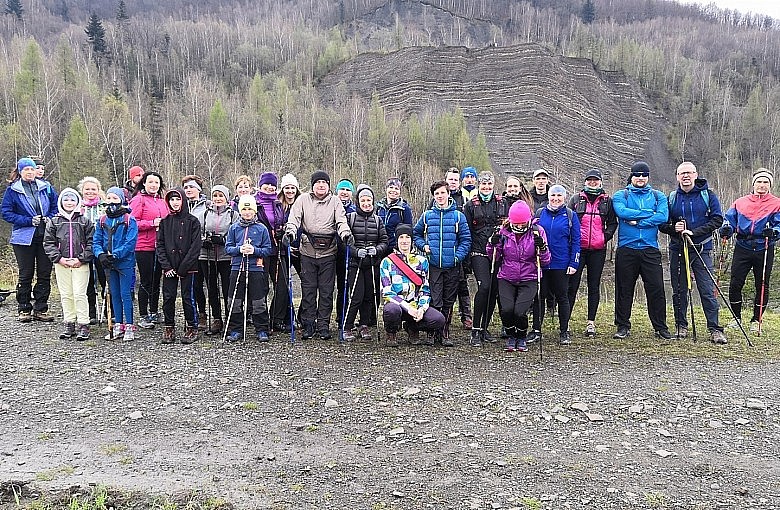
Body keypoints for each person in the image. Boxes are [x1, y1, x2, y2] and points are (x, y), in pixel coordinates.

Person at [658, 162, 726, 343]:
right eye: (682, 173)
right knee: (679, 290)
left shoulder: (708, 195)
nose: (685, 176)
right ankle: (681, 325)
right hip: (678, 249)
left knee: (706, 289)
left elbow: (718, 220)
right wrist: (675, 228)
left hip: (702, 248)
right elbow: (662, 224)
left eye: (688, 173)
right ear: (677, 177)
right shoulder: (671, 198)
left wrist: (694, 232)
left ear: (696, 174)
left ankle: (715, 329)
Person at [282, 170, 353, 340]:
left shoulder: (335, 201)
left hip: (329, 252)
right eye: (318, 182)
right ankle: (308, 324)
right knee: (308, 290)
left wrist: (345, 234)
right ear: (313, 185)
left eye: (324, 182)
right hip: (307, 251)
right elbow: (294, 219)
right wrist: (290, 233)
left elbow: (341, 221)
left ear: (328, 185)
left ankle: (323, 325)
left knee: (327, 291)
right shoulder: (302, 200)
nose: (321, 185)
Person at [612, 161, 672, 340]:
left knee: (656, 289)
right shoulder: (621, 194)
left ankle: (660, 327)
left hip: (650, 249)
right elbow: (622, 213)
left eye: (644, 175)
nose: (640, 178)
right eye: (637, 175)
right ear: (632, 176)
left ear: (648, 177)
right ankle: (622, 326)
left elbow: (663, 216)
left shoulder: (658, 195)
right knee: (624, 289)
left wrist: (639, 222)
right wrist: (649, 214)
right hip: (626, 248)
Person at [719, 168, 780, 334]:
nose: (762, 185)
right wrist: (727, 229)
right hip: (743, 246)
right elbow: (729, 220)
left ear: (770, 185)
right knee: (736, 282)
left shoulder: (776, 203)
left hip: (764, 246)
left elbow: (779, 224)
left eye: (765, 182)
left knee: (762, 284)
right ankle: (736, 317)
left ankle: (756, 320)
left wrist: (774, 231)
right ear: (753, 184)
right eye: (759, 182)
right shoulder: (740, 202)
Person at [413, 180, 471, 346]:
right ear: (433, 196)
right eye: (437, 193)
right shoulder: (427, 216)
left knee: (449, 299)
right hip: (433, 265)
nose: (440, 196)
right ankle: (432, 331)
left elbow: (465, 240)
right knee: (433, 298)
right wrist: (423, 246)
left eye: (442, 193)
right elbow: (416, 234)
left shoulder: (458, 216)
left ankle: (444, 331)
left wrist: (456, 257)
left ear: (448, 194)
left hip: (452, 265)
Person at [487, 201, 550, 352]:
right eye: (517, 223)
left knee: (520, 311)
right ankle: (511, 335)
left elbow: (546, 261)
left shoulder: (537, 231)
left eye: (522, 224)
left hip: (529, 277)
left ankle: (521, 336)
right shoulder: (503, 232)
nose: (520, 227)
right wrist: (492, 244)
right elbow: (494, 257)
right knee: (507, 310)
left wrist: (542, 248)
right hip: (507, 276)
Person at [1, 157, 58, 322]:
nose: (30, 172)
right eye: (26, 170)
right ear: (20, 172)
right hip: (23, 238)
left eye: (32, 169)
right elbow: (6, 212)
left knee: (44, 273)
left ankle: (41, 308)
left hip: (45, 236)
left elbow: (56, 206)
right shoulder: (13, 190)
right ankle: (24, 308)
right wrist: (28, 220)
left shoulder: (46, 188)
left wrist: (50, 218)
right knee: (25, 274)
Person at [567, 169, 617, 337]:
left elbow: (612, 223)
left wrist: (605, 237)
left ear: (601, 182)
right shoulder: (576, 199)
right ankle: (565, 321)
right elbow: (567, 220)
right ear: (585, 182)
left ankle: (591, 323)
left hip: (598, 250)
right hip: (578, 249)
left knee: (593, 285)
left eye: (595, 180)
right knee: (572, 286)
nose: (592, 183)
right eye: (589, 180)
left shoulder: (607, 201)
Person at [529, 185, 580, 345]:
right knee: (539, 297)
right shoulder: (539, 214)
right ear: (548, 196)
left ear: (564, 197)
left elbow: (577, 241)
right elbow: (531, 236)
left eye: (559, 195)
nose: (555, 198)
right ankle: (536, 329)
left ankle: (564, 330)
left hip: (561, 263)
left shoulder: (571, 216)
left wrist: (574, 262)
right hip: (542, 264)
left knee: (562, 297)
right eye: (553, 195)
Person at [380, 223, 445, 347]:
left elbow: (425, 290)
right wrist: (407, 307)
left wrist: (421, 308)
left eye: (407, 237)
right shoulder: (387, 262)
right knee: (391, 311)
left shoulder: (422, 261)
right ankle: (391, 332)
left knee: (438, 320)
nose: (404, 241)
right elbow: (387, 292)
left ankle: (412, 326)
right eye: (401, 237)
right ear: (397, 240)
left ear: (412, 239)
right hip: (397, 305)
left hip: (415, 306)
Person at [464, 171, 509, 346]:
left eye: (489, 185)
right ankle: (475, 329)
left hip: (498, 252)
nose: (486, 187)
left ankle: (484, 327)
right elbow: (466, 232)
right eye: (483, 185)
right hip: (478, 252)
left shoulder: (502, 203)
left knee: (493, 291)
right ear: (478, 185)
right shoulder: (470, 206)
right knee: (484, 287)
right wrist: (466, 258)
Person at [43, 188, 94, 341]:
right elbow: (48, 242)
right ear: (61, 202)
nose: (69, 202)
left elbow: (92, 242)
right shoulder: (55, 221)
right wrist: (59, 259)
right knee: (66, 294)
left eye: (72, 199)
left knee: (79, 293)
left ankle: (84, 323)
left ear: (77, 201)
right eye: (66, 199)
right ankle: (69, 322)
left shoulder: (84, 221)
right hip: (62, 263)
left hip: (80, 263)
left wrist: (82, 258)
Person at [157, 188, 203, 344]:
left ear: (183, 201)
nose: (175, 203)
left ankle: (192, 327)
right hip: (169, 266)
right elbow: (160, 245)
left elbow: (195, 247)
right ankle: (169, 326)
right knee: (168, 297)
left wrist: (184, 267)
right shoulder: (165, 222)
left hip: (187, 267)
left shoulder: (193, 221)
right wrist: (167, 267)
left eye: (178, 199)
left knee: (187, 297)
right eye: (172, 200)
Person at [224, 196, 273, 342]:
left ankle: (262, 329)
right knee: (235, 300)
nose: (246, 212)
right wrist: (240, 249)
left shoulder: (261, 228)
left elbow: (267, 250)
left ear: (254, 211)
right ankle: (236, 329)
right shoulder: (234, 228)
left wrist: (254, 250)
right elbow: (228, 248)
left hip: (256, 268)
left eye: (249, 209)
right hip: (237, 267)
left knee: (258, 300)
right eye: (244, 209)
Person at [343, 184, 388, 341]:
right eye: (363, 200)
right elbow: (345, 242)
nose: (367, 203)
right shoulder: (351, 218)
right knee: (356, 296)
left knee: (369, 296)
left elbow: (384, 241)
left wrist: (377, 250)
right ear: (358, 202)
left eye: (369, 200)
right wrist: (356, 251)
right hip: (356, 264)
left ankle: (364, 324)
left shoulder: (378, 220)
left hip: (372, 263)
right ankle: (347, 326)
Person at [93, 187, 138, 342]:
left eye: (115, 198)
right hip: (108, 263)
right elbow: (97, 240)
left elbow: (130, 242)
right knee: (114, 294)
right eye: (109, 198)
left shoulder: (129, 220)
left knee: (126, 294)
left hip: (124, 262)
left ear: (121, 200)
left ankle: (130, 325)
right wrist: (100, 254)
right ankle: (118, 323)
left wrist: (116, 254)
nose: (112, 202)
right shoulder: (102, 220)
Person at [196, 185, 238, 336]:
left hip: (227, 256)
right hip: (207, 255)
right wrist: (203, 241)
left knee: (228, 288)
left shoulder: (234, 215)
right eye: (215, 196)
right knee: (212, 288)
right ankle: (216, 318)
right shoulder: (204, 214)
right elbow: (197, 233)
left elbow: (237, 233)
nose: (218, 199)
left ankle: (229, 318)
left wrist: (224, 240)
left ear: (227, 198)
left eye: (221, 196)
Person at [130, 171, 169, 329]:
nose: (154, 185)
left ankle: (154, 311)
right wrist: (152, 222)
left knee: (156, 279)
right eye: (151, 182)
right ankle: (143, 314)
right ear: (144, 183)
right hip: (144, 246)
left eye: (157, 183)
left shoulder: (162, 201)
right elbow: (132, 223)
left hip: (160, 246)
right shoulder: (138, 200)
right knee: (146, 280)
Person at [254, 172, 288, 332]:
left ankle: (276, 318)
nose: (269, 187)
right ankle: (261, 322)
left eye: (273, 185)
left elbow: (282, 222)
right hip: (260, 250)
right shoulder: (254, 203)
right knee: (261, 287)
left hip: (277, 249)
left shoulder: (278, 204)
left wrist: (282, 231)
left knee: (282, 284)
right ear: (260, 185)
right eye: (266, 184)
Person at [441, 168, 473, 330]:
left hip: (460, 249)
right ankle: (445, 318)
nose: (452, 182)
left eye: (455, 180)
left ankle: (466, 316)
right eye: (450, 179)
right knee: (446, 286)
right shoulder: (436, 198)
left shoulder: (464, 200)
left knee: (462, 284)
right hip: (442, 251)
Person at [78, 177, 106, 324]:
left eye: (93, 189)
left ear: (98, 190)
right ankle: (91, 312)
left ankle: (109, 310)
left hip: (101, 247)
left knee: (104, 278)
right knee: (87, 281)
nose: (90, 192)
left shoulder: (105, 207)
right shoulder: (78, 207)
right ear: (82, 191)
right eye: (87, 189)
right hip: (83, 248)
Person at [182, 175, 208, 328]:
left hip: (203, 250)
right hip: (185, 252)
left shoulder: (206, 205)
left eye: (191, 187)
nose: (188, 190)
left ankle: (206, 313)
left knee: (203, 284)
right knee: (192, 285)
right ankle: (196, 314)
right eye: (185, 187)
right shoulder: (180, 205)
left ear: (198, 189)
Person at [334, 178, 356, 327]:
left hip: (346, 252)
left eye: (348, 190)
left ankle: (343, 317)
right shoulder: (330, 206)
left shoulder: (354, 210)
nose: (344, 192)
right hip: (329, 250)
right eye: (342, 189)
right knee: (327, 287)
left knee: (345, 286)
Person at [376, 177, 413, 250]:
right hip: (380, 246)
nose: (393, 190)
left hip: (396, 247)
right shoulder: (379, 207)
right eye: (391, 187)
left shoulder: (404, 209)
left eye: (396, 188)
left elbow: (409, 230)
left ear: (400, 191)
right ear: (386, 189)